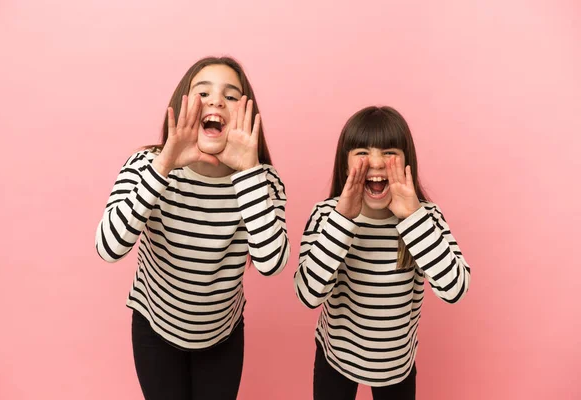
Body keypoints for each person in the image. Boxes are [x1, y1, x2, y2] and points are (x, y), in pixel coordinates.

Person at [95, 56, 290, 400]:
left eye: (231, 96)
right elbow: (108, 248)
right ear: (181, 106)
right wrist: (164, 165)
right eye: (203, 92)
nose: (216, 101)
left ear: (246, 116)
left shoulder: (263, 182)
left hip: (222, 336)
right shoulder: (147, 165)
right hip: (154, 328)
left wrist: (247, 173)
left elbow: (271, 265)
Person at [294, 105, 470, 400]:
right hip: (335, 358)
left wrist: (413, 218)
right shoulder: (327, 215)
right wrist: (343, 220)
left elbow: (456, 289)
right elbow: (307, 295)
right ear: (345, 164)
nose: (375, 162)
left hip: (396, 366)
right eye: (362, 152)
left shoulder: (425, 218)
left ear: (406, 162)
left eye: (389, 152)